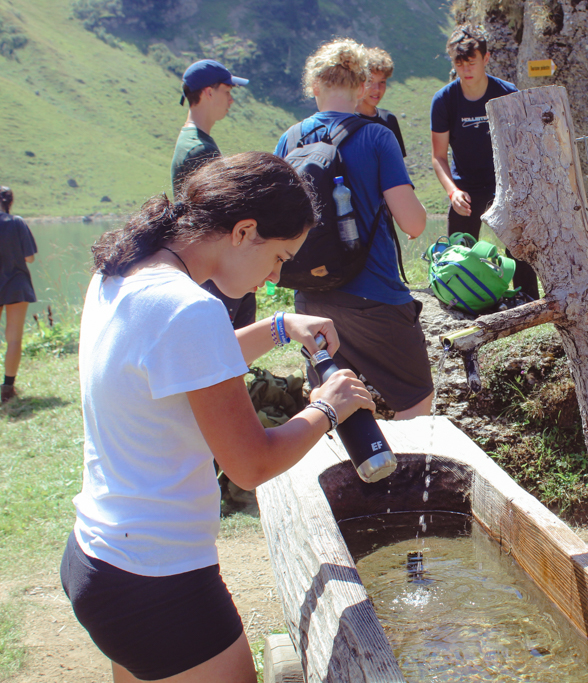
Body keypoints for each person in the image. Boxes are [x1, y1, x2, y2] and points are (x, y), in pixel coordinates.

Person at [60, 152, 375, 683]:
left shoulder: (122, 269)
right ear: (243, 230)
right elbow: (250, 464)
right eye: (278, 257)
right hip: (160, 584)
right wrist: (329, 407)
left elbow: (186, 367)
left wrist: (277, 327)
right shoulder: (188, 308)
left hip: (100, 558)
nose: (275, 277)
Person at [275, 38, 434, 419]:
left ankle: (351, 474)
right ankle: (402, 477)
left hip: (311, 299)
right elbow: (412, 223)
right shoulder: (378, 136)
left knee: (331, 401)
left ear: (314, 87)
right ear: (362, 86)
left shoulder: (290, 138)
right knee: (416, 399)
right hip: (375, 296)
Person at [430, 24, 539, 301]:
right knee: (460, 250)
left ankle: (526, 299)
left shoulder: (506, 92)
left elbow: (522, 146)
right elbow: (438, 157)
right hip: (465, 186)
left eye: (471, 62)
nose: (466, 69)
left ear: (486, 58)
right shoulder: (444, 101)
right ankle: (463, 300)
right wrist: (452, 191)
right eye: (459, 63)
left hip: (504, 183)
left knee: (519, 246)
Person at [171, 58, 257, 329]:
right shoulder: (200, 150)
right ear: (208, 92)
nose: (231, 100)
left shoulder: (194, 141)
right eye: (227, 92)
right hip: (214, 269)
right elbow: (220, 219)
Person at [0, 186, 37, 404]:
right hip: (16, 284)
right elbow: (30, 258)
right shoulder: (16, 222)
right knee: (13, 338)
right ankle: (7, 388)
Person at [356, 47, 406, 158]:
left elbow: (398, 166)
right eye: (370, 81)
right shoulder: (347, 120)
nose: (377, 89)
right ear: (358, 82)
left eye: (382, 82)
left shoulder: (389, 119)